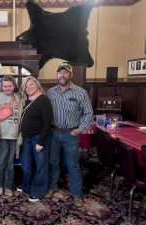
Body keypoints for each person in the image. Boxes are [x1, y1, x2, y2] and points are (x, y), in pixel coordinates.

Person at [47, 62, 93, 207]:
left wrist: (80, 129)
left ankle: (76, 194)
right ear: (57, 74)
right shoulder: (50, 92)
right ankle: (52, 187)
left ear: (70, 74)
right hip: (54, 133)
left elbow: (88, 113)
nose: (62, 75)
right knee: (53, 162)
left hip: (71, 134)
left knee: (72, 165)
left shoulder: (80, 92)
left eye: (65, 72)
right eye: (60, 72)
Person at [19, 76, 53, 202]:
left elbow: (47, 123)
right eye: (26, 86)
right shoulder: (26, 100)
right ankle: (27, 186)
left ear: (37, 85)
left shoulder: (44, 100)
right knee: (26, 164)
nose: (28, 88)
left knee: (41, 165)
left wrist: (41, 142)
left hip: (39, 137)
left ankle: (38, 191)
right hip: (27, 138)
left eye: (31, 85)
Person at [0, 75, 20, 197]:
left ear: (14, 86)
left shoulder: (19, 97)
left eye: (10, 85)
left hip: (15, 135)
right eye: (5, 86)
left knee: (10, 163)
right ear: (1, 86)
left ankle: (8, 186)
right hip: (2, 135)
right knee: (1, 162)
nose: (7, 88)